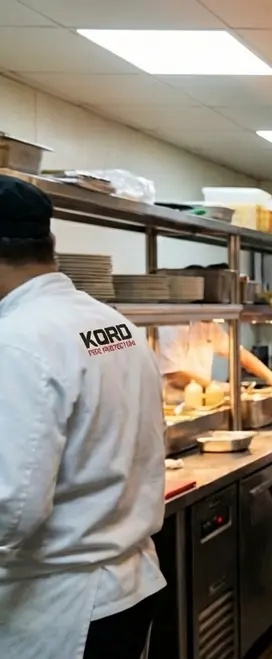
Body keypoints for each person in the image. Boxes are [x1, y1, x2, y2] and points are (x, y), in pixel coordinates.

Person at [0, 175, 166, 658]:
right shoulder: (114, 324)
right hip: (125, 585)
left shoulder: (18, 340)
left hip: (58, 605)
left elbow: (12, 507)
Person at [156, 319, 272, 404]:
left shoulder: (207, 324)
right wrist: (219, 387)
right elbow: (174, 376)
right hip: (175, 406)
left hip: (203, 403)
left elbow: (239, 353)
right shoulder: (170, 328)